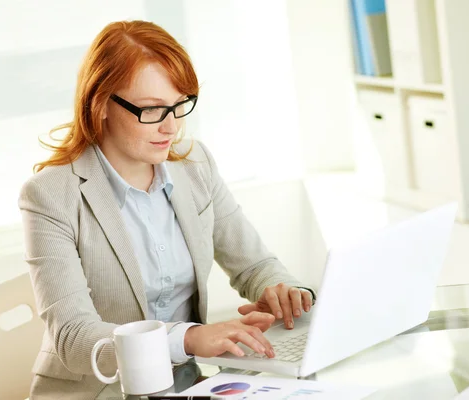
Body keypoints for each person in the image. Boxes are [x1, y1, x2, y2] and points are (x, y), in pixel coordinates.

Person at [19, 20, 316, 400]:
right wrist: (189, 338)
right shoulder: (50, 195)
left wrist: (285, 293)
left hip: (186, 385)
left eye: (179, 106)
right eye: (152, 110)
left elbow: (254, 266)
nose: (171, 127)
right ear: (100, 104)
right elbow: (74, 337)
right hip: (97, 391)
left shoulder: (195, 166)